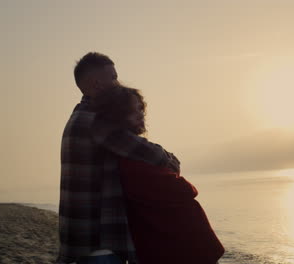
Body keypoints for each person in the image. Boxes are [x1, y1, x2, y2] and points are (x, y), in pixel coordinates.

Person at [58, 52, 180, 264]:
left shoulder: (78, 115)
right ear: (97, 84)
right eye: (113, 77)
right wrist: (172, 159)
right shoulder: (95, 121)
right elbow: (152, 155)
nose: (118, 83)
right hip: (96, 241)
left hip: (79, 237)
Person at [91, 86, 225, 264]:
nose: (139, 114)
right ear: (117, 116)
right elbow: (183, 190)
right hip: (176, 245)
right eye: (130, 111)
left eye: (140, 108)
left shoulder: (139, 153)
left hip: (177, 241)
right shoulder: (133, 159)